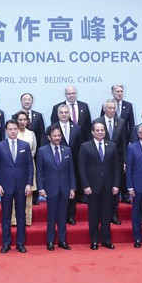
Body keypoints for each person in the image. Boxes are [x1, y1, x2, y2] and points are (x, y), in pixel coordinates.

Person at [0, 119, 33, 253]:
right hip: (5, 186)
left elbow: (29, 167)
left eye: (15, 129)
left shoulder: (25, 145)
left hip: (22, 186)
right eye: (10, 129)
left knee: (21, 216)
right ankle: (6, 243)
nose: (13, 131)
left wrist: (29, 183)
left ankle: (20, 244)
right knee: (6, 216)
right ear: (6, 130)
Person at [79, 121, 120, 250]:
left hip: (108, 186)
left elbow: (117, 168)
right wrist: (85, 185)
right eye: (97, 130)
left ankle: (106, 240)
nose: (100, 132)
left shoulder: (112, 146)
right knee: (94, 215)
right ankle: (94, 240)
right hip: (92, 187)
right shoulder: (85, 147)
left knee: (107, 214)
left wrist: (116, 184)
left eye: (102, 130)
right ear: (92, 132)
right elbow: (82, 168)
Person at [37, 126, 75, 250]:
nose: (57, 138)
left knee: (63, 216)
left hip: (65, 188)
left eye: (59, 135)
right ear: (49, 137)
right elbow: (40, 172)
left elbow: (71, 171)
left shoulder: (67, 150)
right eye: (55, 136)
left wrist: (72, 188)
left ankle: (62, 241)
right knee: (52, 216)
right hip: (50, 188)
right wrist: (41, 188)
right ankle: (50, 241)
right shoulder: (42, 151)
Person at [50, 103, 82, 225]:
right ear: (57, 114)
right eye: (61, 112)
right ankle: (59, 216)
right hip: (57, 164)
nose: (64, 114)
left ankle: (70, 215)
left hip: (73, 162)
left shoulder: (77, 127)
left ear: (70, 114)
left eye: (66, 112)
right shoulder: (53, 127)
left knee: (72, 189)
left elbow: (81, 145)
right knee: (59, 191)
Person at [100, 99, 126, 225]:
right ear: (104, 109)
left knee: (115, 188)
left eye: (113, 108)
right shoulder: (97, 122)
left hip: (117, 161)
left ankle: (113, 215)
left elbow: (124, 143)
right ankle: (103, 215)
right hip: (101, 161)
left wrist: (125, 161)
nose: (111, 110)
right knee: (102, 189)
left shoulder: (121, 122)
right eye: (109, 108)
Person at [10, 111, 36, 228]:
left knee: (28, 193)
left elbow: (34, 148)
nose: (22, 122)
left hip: (29, 165)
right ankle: (14, 219)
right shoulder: (13, 132)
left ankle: (27, 219)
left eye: (24, 119)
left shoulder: (31, 134)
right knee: (14, 193)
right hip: (15, 167)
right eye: (20, 120)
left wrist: (27, 158)